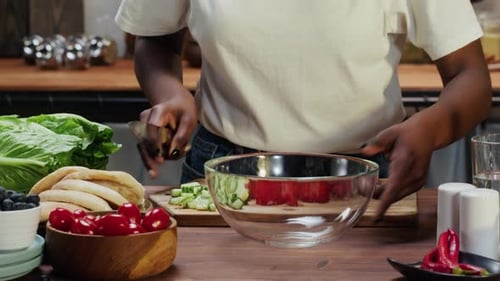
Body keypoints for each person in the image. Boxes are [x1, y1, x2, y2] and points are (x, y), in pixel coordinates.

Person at [115, 0, 492, 220]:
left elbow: (470, 76)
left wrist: (429, 128)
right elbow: (156, 39)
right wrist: (170, 94)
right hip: (222, 175)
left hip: (366, 182)